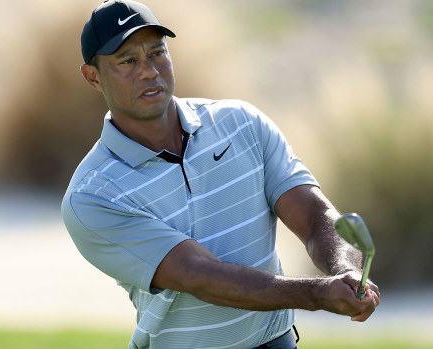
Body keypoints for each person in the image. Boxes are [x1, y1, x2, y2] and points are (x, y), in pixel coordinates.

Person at [61, 1, 380, 348]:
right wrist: (317, 295)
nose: (149, 71)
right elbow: (201, 276)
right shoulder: (93, 195)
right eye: (128, 60)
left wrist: (344, 269)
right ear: (93, 77)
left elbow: (313, 212)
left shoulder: (240, 124)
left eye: (157, 53)